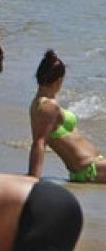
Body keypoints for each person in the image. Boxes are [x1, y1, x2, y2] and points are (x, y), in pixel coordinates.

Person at [26, 50, 106, 184]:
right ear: (59, 80)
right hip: (89, 169)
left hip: (94, 167)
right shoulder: (48, 106)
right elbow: (39, 142)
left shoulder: (40, 103)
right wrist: (33, 179)